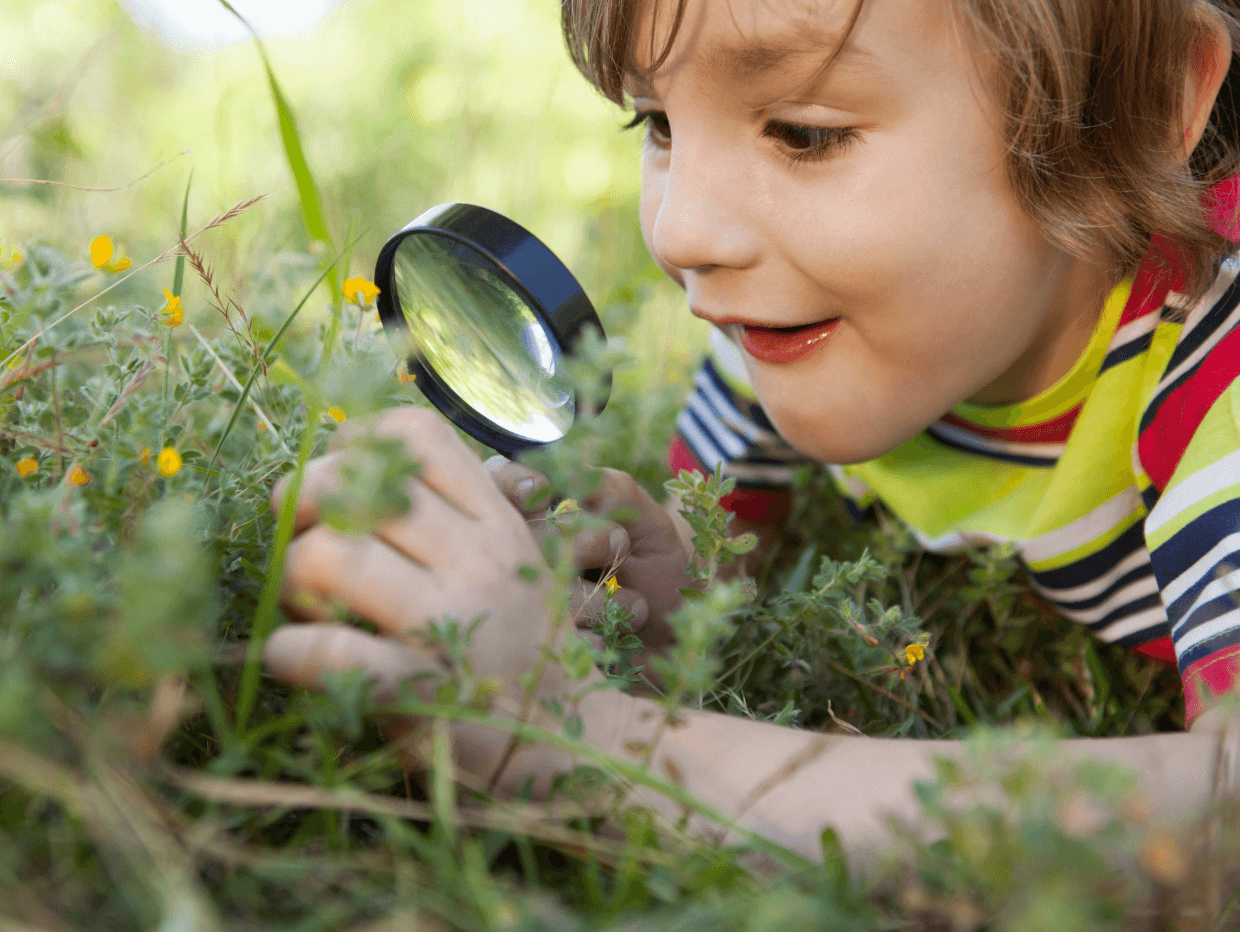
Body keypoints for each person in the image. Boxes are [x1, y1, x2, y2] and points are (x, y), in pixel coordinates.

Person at [262, 0, 1240, 862]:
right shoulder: (785, 321)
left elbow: (1218, 819)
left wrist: (584, 744)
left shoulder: (1215, 357)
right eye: (656, 121)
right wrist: (670, 602)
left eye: (804, 133)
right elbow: (728, 561)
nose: (684, 234)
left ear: (1146, 104)